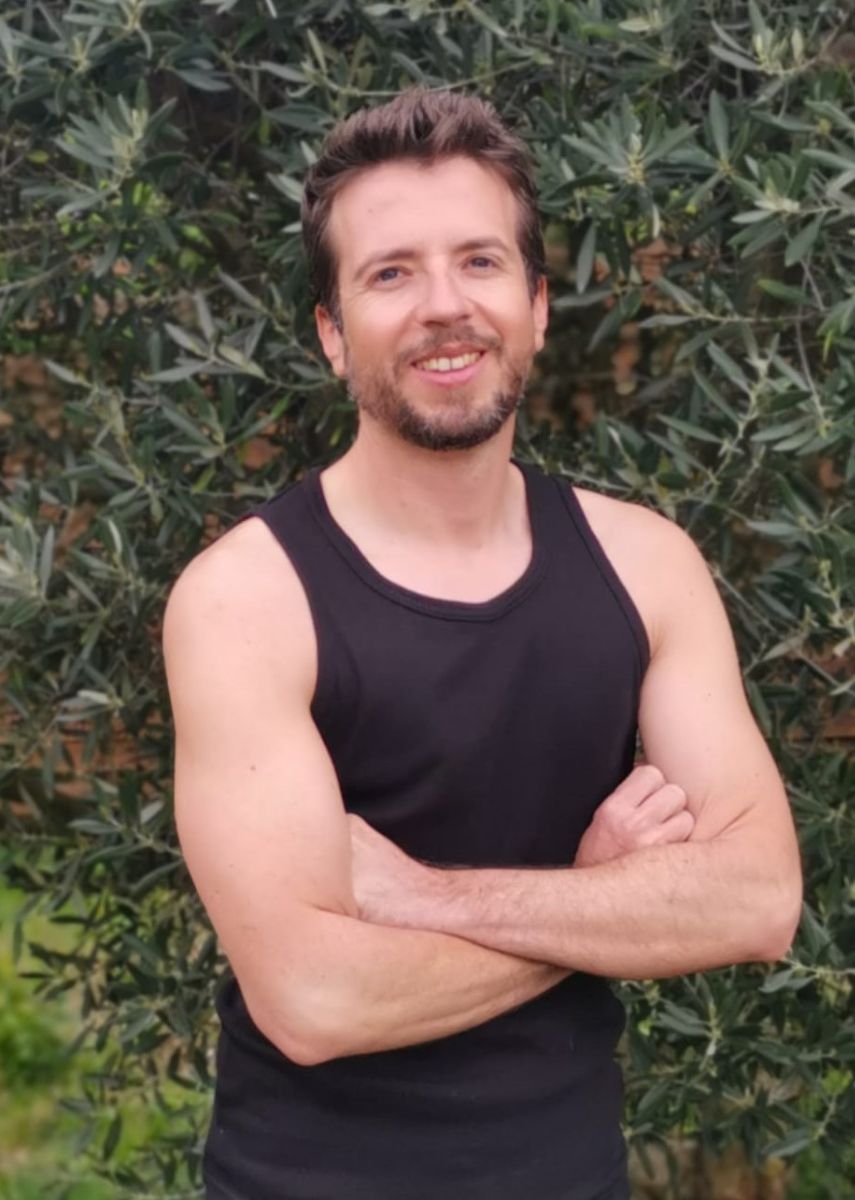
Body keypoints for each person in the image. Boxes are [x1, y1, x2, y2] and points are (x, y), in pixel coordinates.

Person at [162, 88, 803, 1200]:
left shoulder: (646, 567)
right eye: (390, 274)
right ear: (331, 334)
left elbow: (754, 900)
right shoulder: (245, 601)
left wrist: (424, 897)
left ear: (537, 305)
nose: (444, 306)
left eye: (480, 262)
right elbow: (313, 1000)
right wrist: (601, 898)